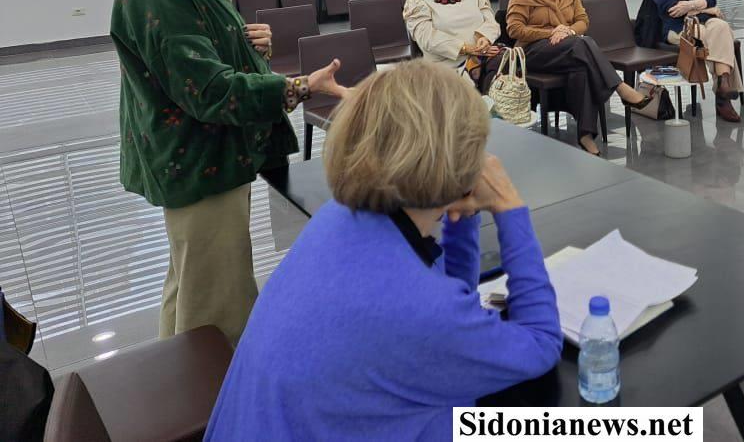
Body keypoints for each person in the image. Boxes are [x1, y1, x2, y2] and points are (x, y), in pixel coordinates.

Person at [205, 61, 563, 441]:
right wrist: (509, 208)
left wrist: (462, 211)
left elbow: (453, 298)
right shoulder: (419, 307)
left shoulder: (336, 220)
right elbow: (540, 344)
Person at [110, 0, 348, 346]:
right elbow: (209, 90)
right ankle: (219, 392)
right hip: (199, 159)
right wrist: (299, 86)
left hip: (207, 155)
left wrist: (245, 43)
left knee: (189, 286)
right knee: (220, 307)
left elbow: (195, 57)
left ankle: (178, 385)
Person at [506, 0, 651, 155]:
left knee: (581, 67)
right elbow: (514, 29)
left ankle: (585, 135)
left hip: (568, 47)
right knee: (583, 43)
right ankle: (620, 88)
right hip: (533, 52)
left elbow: (583, 21)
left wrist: (568, 31)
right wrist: (552, 32)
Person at [651, 0, 743, 123]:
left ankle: (723, 84)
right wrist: (706, 7)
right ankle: (723, 96)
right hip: (677, 28)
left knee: (721, 27)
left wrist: (690, 5)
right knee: (717, 35)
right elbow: (671, 8)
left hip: (703, 22)